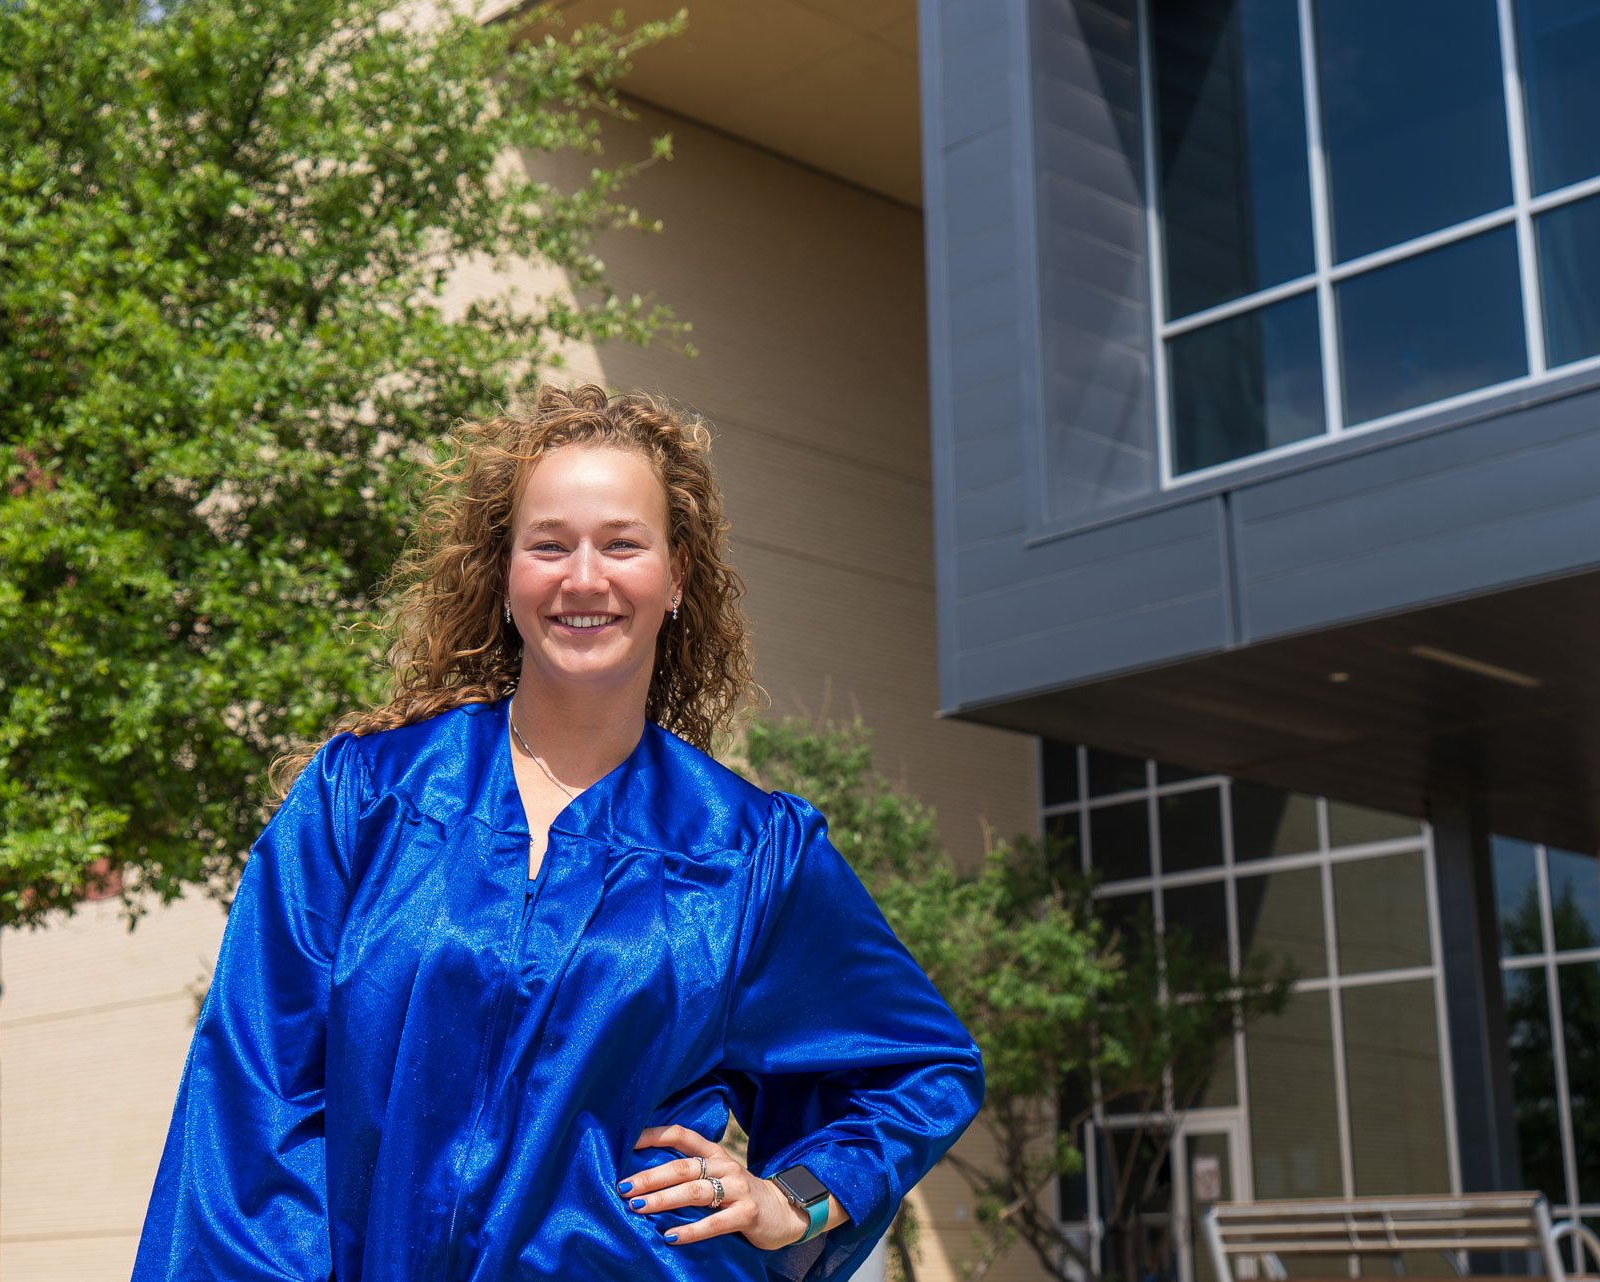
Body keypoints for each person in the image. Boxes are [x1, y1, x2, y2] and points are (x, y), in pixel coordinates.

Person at [132, 384, 985, 1281]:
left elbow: (920, 1068)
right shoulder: (369, 799)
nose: (585, 578)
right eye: (549, 545)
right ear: (504, 575)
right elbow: (253, 1101)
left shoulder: (748, 856)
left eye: (623, 543)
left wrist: (799, 1198)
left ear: (678, 576)